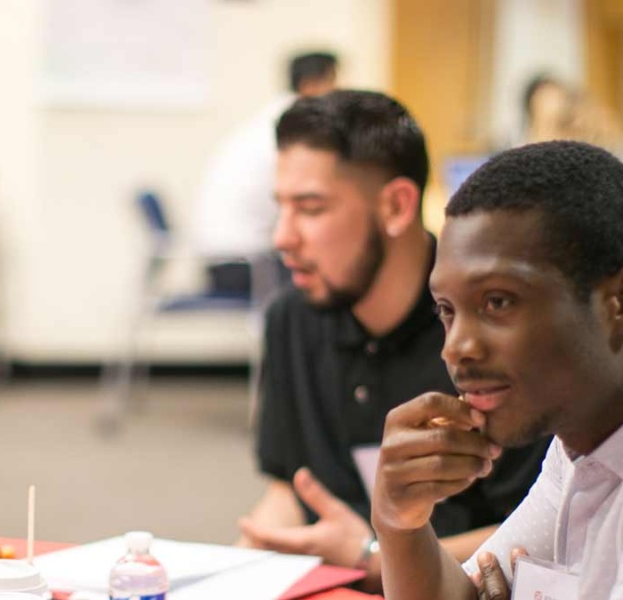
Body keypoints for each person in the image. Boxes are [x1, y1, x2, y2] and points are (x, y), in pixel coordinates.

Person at [238, 90, 549, 590]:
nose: (283, 236)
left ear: (397, 206)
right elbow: (291, 491)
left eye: (310, 209)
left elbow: (542, 533)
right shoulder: (293, 318)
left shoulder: (491, 333)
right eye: (281, 208)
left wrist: (374, 555)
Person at [371, 140, 623, 599]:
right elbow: (463, 592)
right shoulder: (580, 448)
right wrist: (399, 523)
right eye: (446, 309)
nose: (456, 348)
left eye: (497, 301)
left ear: (615, 306)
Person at [193, 51, 338, 295]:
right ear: (312, 85)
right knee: (344, 269)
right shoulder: (293, 130)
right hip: (244, 265)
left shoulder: (268, 121)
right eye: (334, 83)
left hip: (226, 258)